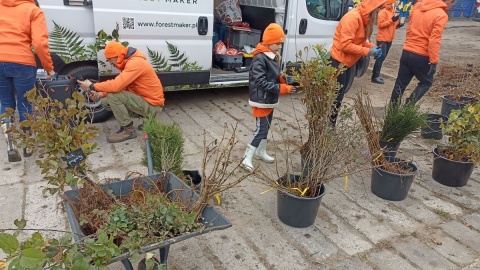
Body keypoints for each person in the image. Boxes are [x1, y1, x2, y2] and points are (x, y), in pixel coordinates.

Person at [0, 0, 55, 161]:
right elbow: (39, 43)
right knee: (25, 103)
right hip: (22, 62)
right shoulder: (33, 10)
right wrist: (49, 67)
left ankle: (11, 145)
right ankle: (28, 145)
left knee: (6, 103)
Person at [78, 41, 165, 143]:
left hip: (153, 106)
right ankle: (148, 120)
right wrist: (100, 95)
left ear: (117, 56)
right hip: (146, 102)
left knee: (114, 96)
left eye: (109, 59)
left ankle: (128, 130)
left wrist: (92, 86)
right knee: (106, 102)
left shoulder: (135, 63)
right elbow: (123, 87)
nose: (110, 63)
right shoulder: (129, 63)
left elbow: (116, 86)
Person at [241, 23, 295, 172]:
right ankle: (247, 157)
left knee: (267, 127)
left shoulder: (272, 56)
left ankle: (260, 151)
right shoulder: (260, 58)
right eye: (277, 43)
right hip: (261, 99)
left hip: (268, 99)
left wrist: (282, 78)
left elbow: (273, 75)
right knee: (261, 129)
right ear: (269, 42)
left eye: (280, 44)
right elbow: (260, 82)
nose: (279, 46)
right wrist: (281, 88)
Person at [329, 0, 386, 125]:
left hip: (348, 63)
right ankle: (329, 126)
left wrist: (372, 47)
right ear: (372, 9)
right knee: (336, 97)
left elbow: (359, 41)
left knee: (340, 95)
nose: (377, 15)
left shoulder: (362, 18)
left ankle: (330, 123)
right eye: (377, 11)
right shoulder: (353, 18)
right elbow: (345, 45)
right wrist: (367, 51)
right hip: (338, 61)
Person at [389, 0, 453, 104]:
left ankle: (392, 111)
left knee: (400, 84)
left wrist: (409, 44)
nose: (450, 7)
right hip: (421, 55)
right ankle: (408, 107)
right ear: (449, 1)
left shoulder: (418, 8)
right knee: (426, 82)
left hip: (407, 51)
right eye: (452, 4)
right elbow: (434, 40)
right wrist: (433, 61)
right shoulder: (441, 14)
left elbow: (409, 29)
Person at [371, 0, 401, 84]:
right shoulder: (383, 12)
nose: (397, 2)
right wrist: (392, 20)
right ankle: (375, 76)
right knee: (381, 57)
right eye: (395, 1)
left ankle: (376, 75)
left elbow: (393, 26)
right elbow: (380, 25)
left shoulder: (394, 11)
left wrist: (398, 24)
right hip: (382, 39)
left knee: (382, 57)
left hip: (389, 38)